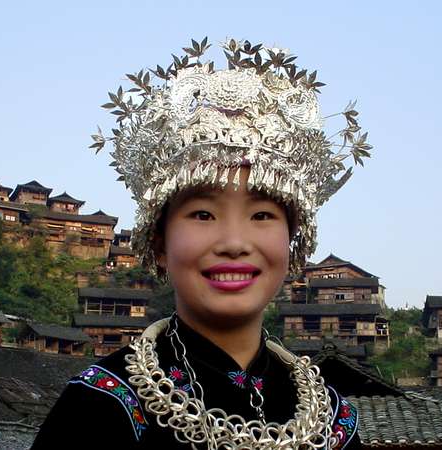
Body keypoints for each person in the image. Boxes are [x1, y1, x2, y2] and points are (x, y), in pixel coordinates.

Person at [31, 37, 370, 449]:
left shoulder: (331, 422)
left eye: (262, 215)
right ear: (159, 242)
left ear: (293, 242)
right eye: (203, 215)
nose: (233, 242)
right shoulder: (100, 406)